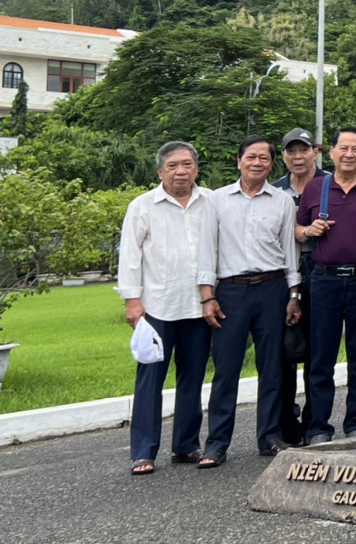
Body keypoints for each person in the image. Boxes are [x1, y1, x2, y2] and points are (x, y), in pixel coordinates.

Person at [197, 136, 301, 467]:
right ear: (239, 160)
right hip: (230, 291)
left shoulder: (282, 201)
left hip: (272, 288)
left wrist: (294, 294)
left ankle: (269, 437)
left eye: (264, 159)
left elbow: (290, 251)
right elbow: (206, 250)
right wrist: (207, 295)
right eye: (250, 157)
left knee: (272, 367)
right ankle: (217, 443)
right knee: (226, 369)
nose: (257, 163)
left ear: (272, 164)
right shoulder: (216, 200)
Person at [117, 141, 215, 475]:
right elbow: (129, 255)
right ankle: (143, 450)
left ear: (196, 169)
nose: (181, 171)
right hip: (156, 307)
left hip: (198, 307)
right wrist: (132, 301)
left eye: (187, 164)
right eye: (172, 166)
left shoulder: (210, 202)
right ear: (160, 171)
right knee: (150, 380)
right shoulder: (143, 206)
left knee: (193, 378)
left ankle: (186, 445)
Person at [297, 126, 356, 443]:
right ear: (332, 152)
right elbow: (298, 230)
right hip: (324, 280)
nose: (349, 154)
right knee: (321, 358)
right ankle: (318, 426)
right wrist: (309, 230)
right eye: (344, 148)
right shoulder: (315, 188)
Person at [273, 127, 322, 445]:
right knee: (283, 352)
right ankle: (285, 422)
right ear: (284, 156)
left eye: (303, 150)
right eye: (291, 151)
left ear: (315, 152)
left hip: (321, 273)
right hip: (283, 276)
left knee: (318, 351)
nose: (297, 156)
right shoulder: (275, 191)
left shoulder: (331, 184)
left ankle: (315, 420)